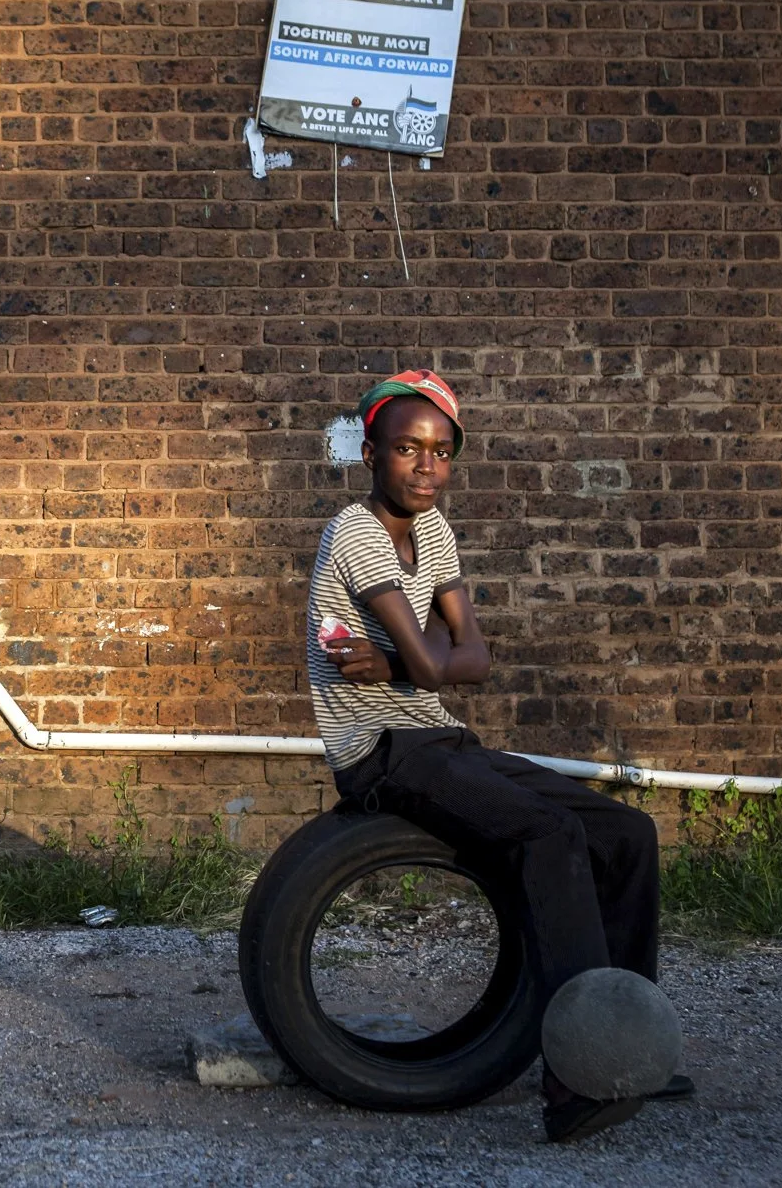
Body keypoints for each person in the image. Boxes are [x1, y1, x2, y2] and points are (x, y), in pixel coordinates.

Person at [306, 369, 688, 1143]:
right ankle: (579, 1073)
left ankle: (626, 1041)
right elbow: (442, 651)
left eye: (442, 452)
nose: (427, 467)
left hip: (438, 736)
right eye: (409, 449)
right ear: (371, 452)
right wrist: (426, 657)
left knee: (627, 835)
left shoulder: (436, 530)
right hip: (378, 749)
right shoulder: (353, 531)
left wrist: (404, 663)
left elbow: (475, 660)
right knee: (548, 835)